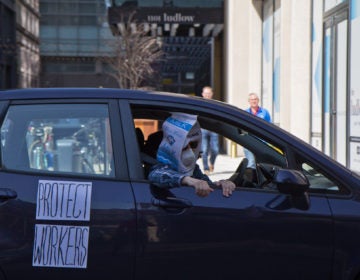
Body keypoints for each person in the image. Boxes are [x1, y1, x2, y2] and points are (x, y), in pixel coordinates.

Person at [148, 112, 235, 198]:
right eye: (184, 147)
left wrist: (221, 184)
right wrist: (187, 180)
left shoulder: (193, 169)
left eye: (193, 145)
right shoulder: (159, 166)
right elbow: (156, 175)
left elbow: (204, 184)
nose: (190, 152)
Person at [244, 93, 272, 168]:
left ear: (258, 100)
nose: (254, 101)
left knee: (262, 165)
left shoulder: (265, 112)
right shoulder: (245, 113)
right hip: (249, 141)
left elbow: (270, 127)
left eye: (255, 99)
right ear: (249, 101)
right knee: (251, 163)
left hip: (262, 142)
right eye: (252, 99)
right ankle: (251, 178)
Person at [200, 86, 219, 175]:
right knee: (204, 151)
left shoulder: (216, 105)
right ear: (202, 94)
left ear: (212, 94)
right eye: (205, 93)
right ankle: (206, 168)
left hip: (214, 129)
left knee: (215, 150)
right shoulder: (198, 104)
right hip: (203, 129)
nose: (207, 95)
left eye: (209, 93)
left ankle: (211, 162)